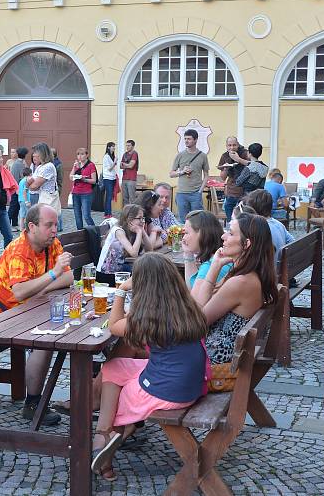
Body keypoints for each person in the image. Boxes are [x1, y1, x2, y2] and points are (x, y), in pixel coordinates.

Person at [90, 253, 208, 481]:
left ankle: (105, 443)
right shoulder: (186, 307)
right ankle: (103, 435)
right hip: (191, 384)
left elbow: (114, 326)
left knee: (118, 397)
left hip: (168, 390)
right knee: (113, 367)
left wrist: (122, 290)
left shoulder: (149, 318)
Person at [0, 205, 73, 426]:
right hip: (2, 316)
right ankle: (32, 404)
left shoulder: (51, 244)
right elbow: (21, 291)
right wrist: (52, 275)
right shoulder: (19, 250)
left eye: (56, 224)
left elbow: (69, 278)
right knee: (45, 340)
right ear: (31, 227)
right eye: (49, 225)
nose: (55, 230)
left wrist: (41, 288)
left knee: (58, 328)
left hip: (31, 308)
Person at [191, 213, 278, 365]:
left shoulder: (240, 282)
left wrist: (214, 268)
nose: (223, 237)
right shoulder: (250, 274)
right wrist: (216, 265)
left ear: (246, 244)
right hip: (225, 352)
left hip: (214, 358)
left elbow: (197, 321)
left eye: (230, 233)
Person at [97, 204, 157, 283]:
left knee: (148, 272)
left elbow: (150, 250)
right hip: (106, 274)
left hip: (119, 272)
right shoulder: (118, 231)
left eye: (143, 218)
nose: (142, 221)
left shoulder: (132, 231)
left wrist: (142, 231)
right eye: (139, 218)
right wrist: (139, 232)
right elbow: (134, 253)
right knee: (144, 276)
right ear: (129, 220)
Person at [181, 210, 231, 296]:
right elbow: (193, 286)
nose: (183, 238)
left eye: (186, 233)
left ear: (201, 234)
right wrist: (188, 254)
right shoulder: (219, 257)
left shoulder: (211, 265)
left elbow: (195, 301)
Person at [244, 189, 294, 267]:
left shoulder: (257, 227)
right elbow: (292, 242)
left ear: (251, 208)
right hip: (280, 270)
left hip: (267, 274)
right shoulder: (278, 224)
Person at [170, 129, 209, 220]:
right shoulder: (180, 155)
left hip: (196, 193)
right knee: (183, 220)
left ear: (195, 140)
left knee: (197, 220)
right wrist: (182, 171)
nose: (186, 141)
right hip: (181, 193)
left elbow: (206, 175)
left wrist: (200, 191)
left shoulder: (203, 156)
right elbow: (171, 174)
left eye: (189, 139)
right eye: (185, 139)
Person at [28, 142, 62, 232]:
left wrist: (30, 183)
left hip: (48, 199)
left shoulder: (48, 167)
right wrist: (30, 183)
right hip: (43, 198)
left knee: (48, 226)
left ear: (42, 153)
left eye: (36, 152)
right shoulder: (40, 167)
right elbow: (29, 184)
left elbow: (33, 186)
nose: (34, 155)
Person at [218, 136, 250, 219]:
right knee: (229, 213)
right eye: (229, 145)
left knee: (243, 217)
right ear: (226, 146)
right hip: (231, 191)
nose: (232, 147)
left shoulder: (245, 153)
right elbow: (223, 178)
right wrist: (225, 168)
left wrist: (238, 159)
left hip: (244, 191)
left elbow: (252, 165)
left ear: (238, 145)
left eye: (234, 145)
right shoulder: (225, 156)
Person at [69, 147, 98, 229]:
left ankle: (94, 232)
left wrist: (84, 179)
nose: (80, 156)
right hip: (76, 192)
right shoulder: (77, 165)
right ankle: (80, 233)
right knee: (77, 215)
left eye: (82, 154)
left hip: (86, 193)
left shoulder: (90, 165)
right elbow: (71, 177)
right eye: (78, 154)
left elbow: (94, 180)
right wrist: (74, 168)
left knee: (86, 215)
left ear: (87, 155)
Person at [8, 147, 28, 230]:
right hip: (16, 189)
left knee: (16, 207)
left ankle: (14, 224)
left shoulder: (18, 163)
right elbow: (21, 177)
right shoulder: (19, 164)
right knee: (13, 207)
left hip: (16, 188)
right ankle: (7, 225)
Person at [120, 139, 139, 206]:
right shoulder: (124, 154)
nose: (127, 147)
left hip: (131, 179)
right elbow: (120, 166)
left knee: (132, 198)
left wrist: (125, 164)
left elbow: (131, 166)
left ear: (133, 146)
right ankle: (126, 213)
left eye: (129, 145)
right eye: (126, 145)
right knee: (125, 198)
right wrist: (126, 165)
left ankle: (133, 213)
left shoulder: (134, 154)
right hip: (124, 178)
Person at [102, 142, 118, 219]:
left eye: (114, 146)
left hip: (112, 178)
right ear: (108, 147)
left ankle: (107, 213)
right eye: (112, 146)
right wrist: (115, 162)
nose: (114, 148)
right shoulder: (106, 156)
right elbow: (109, 168)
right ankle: (108, 214)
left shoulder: (112, 156)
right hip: (107, 178)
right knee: (109, 196)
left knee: (110, 196)